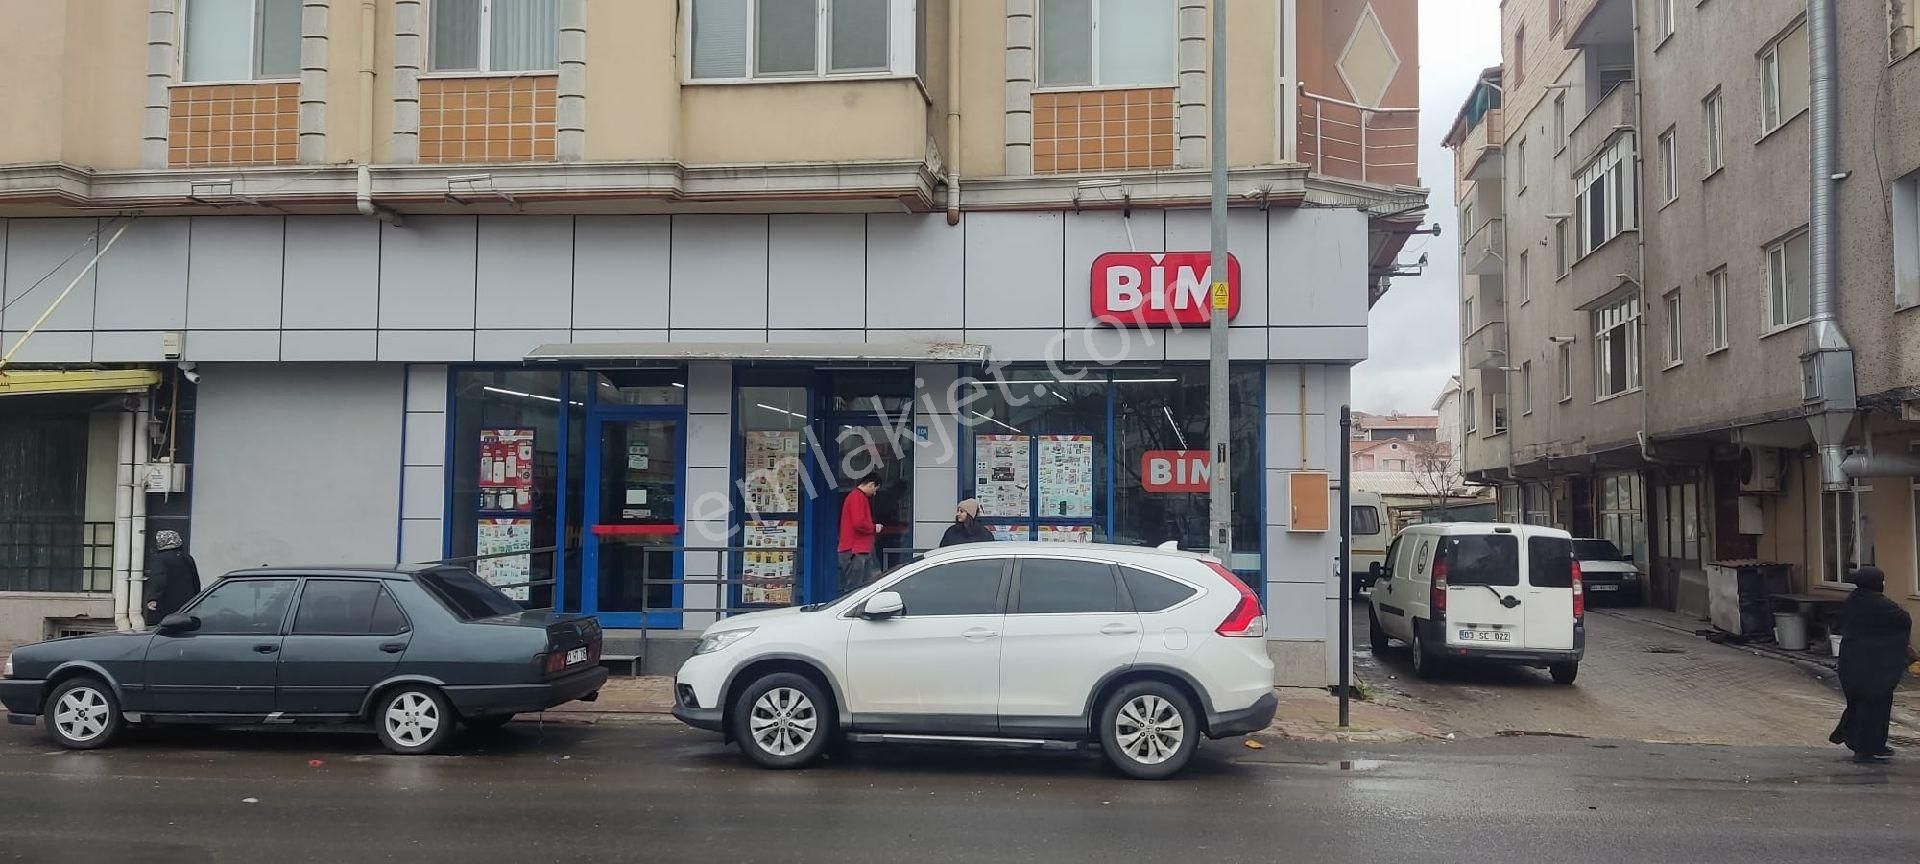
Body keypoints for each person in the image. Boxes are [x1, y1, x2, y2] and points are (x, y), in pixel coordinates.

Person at [1829, 566, 1913, 763]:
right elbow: (1904, 620)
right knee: (1876, 706)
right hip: (1876, 666)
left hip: (1852, 662)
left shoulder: (1853, 601)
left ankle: (1863, 743)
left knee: (1858, 703)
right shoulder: (1882, 605)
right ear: (1876, 583)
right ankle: (1867, 748)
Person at [142, 530, 202, 628]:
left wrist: (153, 598)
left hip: (166, 605)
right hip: (186, 605)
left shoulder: (160, 559)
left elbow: (159, 580)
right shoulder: (187, 558)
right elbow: (196, 581)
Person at [837, 476, 882, 595]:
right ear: (871, 484)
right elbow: (859, 522)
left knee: (860, 587)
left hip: (857, 549)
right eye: (875, 489)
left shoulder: (856, 497)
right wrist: (873, 527)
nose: (875, 493)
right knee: (855, 589)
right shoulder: (857, 497)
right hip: (856, 550)